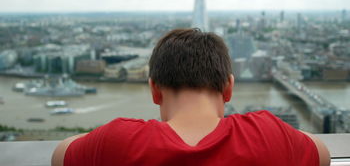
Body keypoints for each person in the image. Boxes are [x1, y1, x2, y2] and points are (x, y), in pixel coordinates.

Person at [52, 28, 330, 166]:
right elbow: (323, 156)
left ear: (154, 90)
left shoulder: (118, 140)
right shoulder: (269, 134)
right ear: (229, 87)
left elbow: (60, 155)